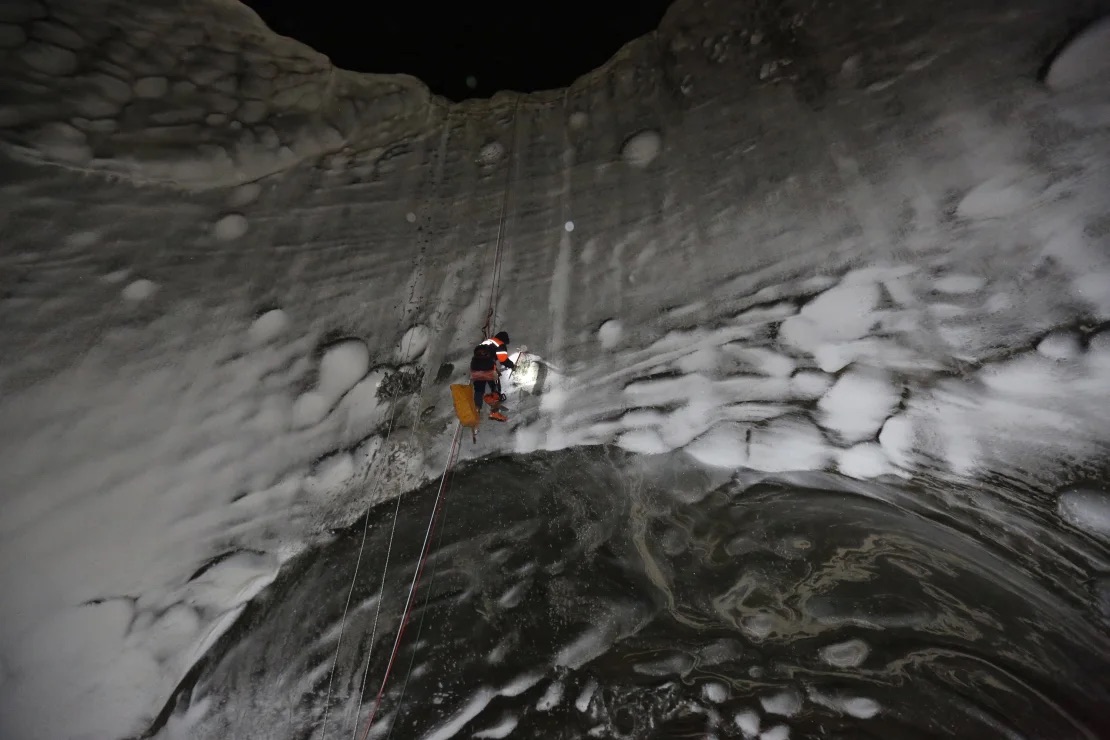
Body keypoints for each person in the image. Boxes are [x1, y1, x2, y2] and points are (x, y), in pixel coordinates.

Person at [471, 331, 515, 422]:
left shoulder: (487, 342)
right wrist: (512, 366)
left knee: (479, 390)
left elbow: (483, 357)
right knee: (496, 388)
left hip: (475, 367)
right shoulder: (500, 344)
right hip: (488, 368)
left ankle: (476, 410)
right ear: (504, 340)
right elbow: (503, 360)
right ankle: (494, 412)